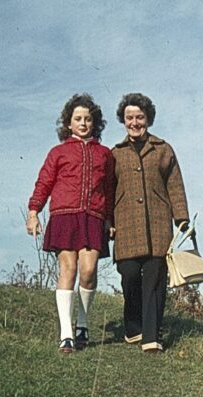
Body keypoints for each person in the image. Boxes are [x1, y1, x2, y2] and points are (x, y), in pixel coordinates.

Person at [26, 93, 116, 353]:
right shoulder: (58, 152)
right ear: (68, 123)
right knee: (68, 269)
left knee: (88, 271)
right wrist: (34, 212)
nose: (83, 123)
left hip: (93, 216)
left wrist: (109, 218)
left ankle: (83, 324)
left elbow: (108, 189)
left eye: (88, 119)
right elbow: (44, 182)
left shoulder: (104, 154)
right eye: (78, 119)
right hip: (64, 215)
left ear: (94, 123)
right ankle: (66, 334)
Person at [110, 93, 190, 353]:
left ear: (148, 119)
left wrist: (182, 218)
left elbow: (175, 185)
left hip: (157, 224)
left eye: (140, 117)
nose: (135, 122)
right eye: (129, 117)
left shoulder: (163, 149)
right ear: (123, 121)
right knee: (130, 275)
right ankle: (133, 327)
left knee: (155, 278)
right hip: (125, 224)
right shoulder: (115, 154)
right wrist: (107, 223)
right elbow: (106, 191)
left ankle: (152, 336)